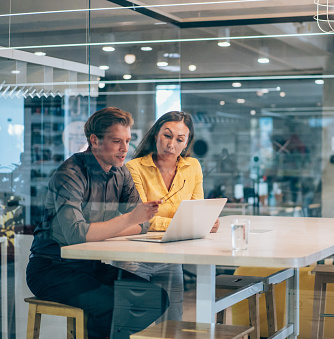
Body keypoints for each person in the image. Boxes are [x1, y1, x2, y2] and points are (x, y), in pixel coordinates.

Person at [26, 107, 169, 339]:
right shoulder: (69, 175)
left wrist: (111, 227)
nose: (125, 149)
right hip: (51, 269)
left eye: (127, 141)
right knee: (112, 308)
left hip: (90, 266)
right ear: (94, 140)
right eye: (116, 141)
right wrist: (129, 219)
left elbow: (144, 224)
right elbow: (78, 234)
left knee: (157, 298)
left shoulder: (121, 173)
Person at [115, 111, 218, 322]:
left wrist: (204, 223)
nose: (172, 144)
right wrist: (190, 225)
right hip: (136, 255)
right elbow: (142, 220)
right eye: (167, 136)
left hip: (172, 255)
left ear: (186, 143)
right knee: (134, 322)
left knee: (173, 322)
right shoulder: (134, 168)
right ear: (156, 135)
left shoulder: (193, 167)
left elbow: (197, 213)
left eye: (180, 139)